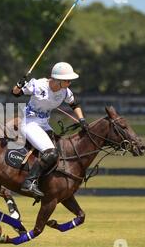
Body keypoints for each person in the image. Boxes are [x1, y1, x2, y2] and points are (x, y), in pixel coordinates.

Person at [12, 62, 88, 198]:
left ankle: (47, 182)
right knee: (51, 153)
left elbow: (74, 104)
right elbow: (15, 93)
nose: (70, 83)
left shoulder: (65, 92)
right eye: (67, 80)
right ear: (58, 80)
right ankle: (29, 182)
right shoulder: (38, 85)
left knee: (61, 149)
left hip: (44, 123)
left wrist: (82, 120)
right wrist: (19, 85)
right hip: (29, 122)